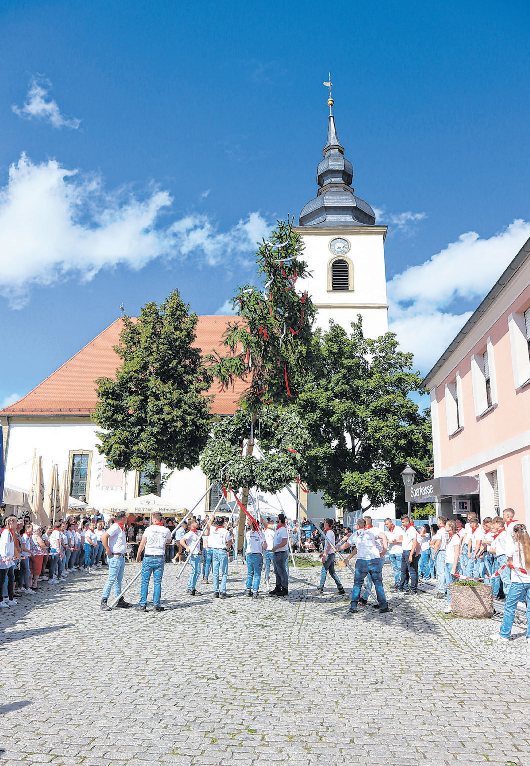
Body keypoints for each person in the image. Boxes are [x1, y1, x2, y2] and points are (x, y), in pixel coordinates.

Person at [338, 517, 389, 614]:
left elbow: (346, 545)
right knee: (378, 583)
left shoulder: (356, 534)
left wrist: (337, 548)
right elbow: (383, 536)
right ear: (365, 525)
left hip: (362, 561)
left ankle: (353, 606)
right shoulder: (371, 532)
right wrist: (384, 549)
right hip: (374, 559)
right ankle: (383, 606)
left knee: (357, 584)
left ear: (357, 526)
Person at [491, 523, 530, 643]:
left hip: (518, 580)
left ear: (516, 535)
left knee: (509, 607)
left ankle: (504, 634)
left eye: (513, 534)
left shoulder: (513, 547)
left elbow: (510, 563)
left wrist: (509, 564)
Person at [135, 512, 172, 611]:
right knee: (157, 582)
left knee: (145, 581)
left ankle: (143, 604)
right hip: (159, 556)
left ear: (154, 520)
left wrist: (138, 555)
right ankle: (157, 604)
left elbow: (142, 544)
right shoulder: (166, 530)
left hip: (148, 556)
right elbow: (168, 541)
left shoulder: (148, 529)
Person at [101, 511, 131, 611]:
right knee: (111, 579)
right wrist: (107, 549)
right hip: (115, 556)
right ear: (122, 518)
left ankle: (119, 599)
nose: (127, 519)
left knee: (118, 580)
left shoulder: (120, 528)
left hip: (120, 556)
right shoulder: (115, 527)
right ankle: (104, 600)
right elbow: (104, 537)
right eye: (125, 517)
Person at [203, 516, 232, 598]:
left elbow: (209, 524)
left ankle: (216, 591)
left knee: (215, 572)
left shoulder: (213, 529)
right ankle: (222, 591)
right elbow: (229, 541)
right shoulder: (225, 531)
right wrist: (228, 548)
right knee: (224, 572)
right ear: (223, 523)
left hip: (215, 550)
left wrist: (212, 517)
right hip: (222, 550)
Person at [316, 518, 345, 595]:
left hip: (329, 554)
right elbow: (327, 545)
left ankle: (321, 587)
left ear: (328, 524)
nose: (324, 524)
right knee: (332, 572)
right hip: (331, 553)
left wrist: (325, 554)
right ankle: (340, 587)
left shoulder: (329, 532)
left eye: (325, 522)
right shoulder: (329, 532)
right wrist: (323, 552)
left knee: (324, 570)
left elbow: (329, 545)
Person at [399, 517, 421, 595]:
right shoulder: (406, 530)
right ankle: (403, 586)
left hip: (409, 551)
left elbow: (415, 543)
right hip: (405, 551)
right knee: (403, 570)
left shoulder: (411, 530)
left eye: (403, 522)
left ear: (408, 522)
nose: (402, 524)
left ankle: (413, 589)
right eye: (402, 522)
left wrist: (411, 554)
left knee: (412, 571)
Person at [0, 516, 19, 607]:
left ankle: (10, 598)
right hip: (5, 559)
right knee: (2, 579)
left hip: (10, 559)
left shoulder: (10, 533)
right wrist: (4, 556)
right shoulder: (6, 532)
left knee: (11, 577)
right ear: (11, 522)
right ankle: (1, 600)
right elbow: (4, 545)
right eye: (15, 522)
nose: (17, 524)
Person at [269, 513, 289, 597]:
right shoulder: (277, 528)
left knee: (282, 571)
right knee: (277, 571)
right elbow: (268, 525)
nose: (276, 519)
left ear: (280, 520)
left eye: (277, 518)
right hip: (277, 553)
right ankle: (278, 586)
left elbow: (284, 542)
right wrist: (261, 520)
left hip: (281, 553)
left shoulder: (283, 529)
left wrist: (276, 547)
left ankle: (284, 588)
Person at [181, 519, 203, 596]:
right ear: (191, 524)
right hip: (192, 554)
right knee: (195, 571)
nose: (197, 523)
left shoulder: (198, 532)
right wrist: (187, 548)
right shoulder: (190, 533)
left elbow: (206, 533)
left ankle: (190, 586)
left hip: (197, 553)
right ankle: (191, 588)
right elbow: (182, 541)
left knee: (197, 571)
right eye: (195, 522)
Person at [245, 521, 266, 598]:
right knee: (257, 573)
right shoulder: (261, 534)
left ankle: (248, 589)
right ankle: (255, 591)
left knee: (250, 573)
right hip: (257, 554)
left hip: (249, 554)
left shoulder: (248, 534)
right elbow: (265, 546)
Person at [444, 520, 461, 613]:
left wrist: (454, 567)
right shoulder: (450, 538)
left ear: (450, 527)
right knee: (448, 584)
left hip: (452, 563)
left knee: (451, 584)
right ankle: (449, 603)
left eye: (446, 525)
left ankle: (451, 604)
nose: (445, 527)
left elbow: (456, 554)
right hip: (448, 562)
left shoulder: (455, 539)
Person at [431, 517, 449, 598]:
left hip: (441, 551)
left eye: (438, 520)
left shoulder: (440, 531)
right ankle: (447, 589)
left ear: (441, 522)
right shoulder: (447, 530)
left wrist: (434, 553)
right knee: (446, 571)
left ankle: (441, 590)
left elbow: (438, 543)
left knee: (440, 572)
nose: (437, 522)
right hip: (447, 551)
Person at [384, 518, 403, 589]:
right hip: (391, 551)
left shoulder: (398, 529)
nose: (387, 525)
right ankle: (396, 582)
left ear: (391, 522)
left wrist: (394, 541)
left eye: (387, 524)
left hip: (398, 551)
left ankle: (402, 583)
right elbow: (385, 540)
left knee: (400, 568)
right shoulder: (386, 532)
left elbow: (401, 539)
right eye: (386, 524)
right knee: (395, 568)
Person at [29, 524, 46, 590]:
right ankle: (35, 584)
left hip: (31, 554)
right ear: (36, 531)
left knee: (31, 569)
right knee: (37, 570)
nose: (40, 531)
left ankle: (30, 583)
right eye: (39, 530)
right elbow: (43, 546)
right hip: (38, 555)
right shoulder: (38, 538)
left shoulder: (30, 537)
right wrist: (44, 551)